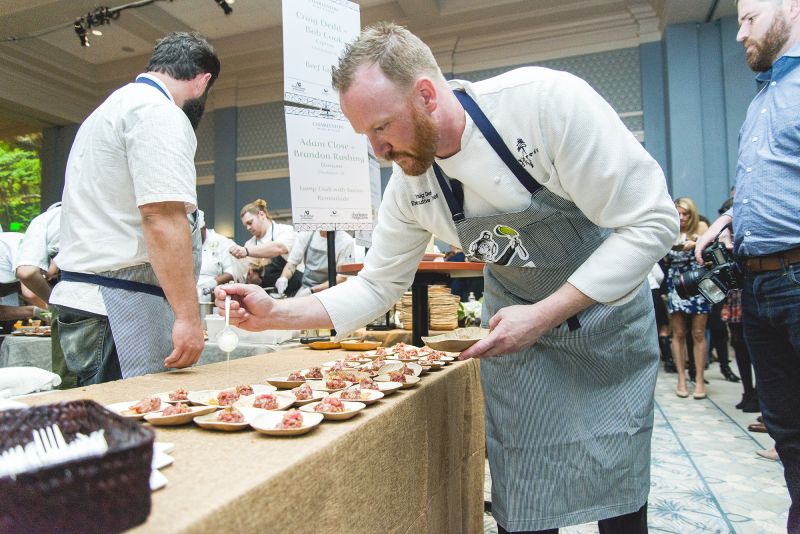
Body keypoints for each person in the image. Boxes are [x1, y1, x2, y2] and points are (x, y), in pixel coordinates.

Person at [216, 23, 678, 533]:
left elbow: (653, 220)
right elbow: (377, 284)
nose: (378, 151)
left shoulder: (547, 106)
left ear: (427, 96)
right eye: (366, 135)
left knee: (617, 487)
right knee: (523, 494)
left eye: (381, 128)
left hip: (605, 325)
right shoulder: (410, 186)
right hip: (518, 340)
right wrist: (276, 313)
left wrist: (545, 314)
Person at [49, 32, 220, 385]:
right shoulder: (159, 112)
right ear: (203, 83)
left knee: (89, 432)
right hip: (115, 310)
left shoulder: (110, 109)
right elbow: (161, 216)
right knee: (123, 428)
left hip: (86, 302)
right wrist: (188, 318)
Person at [696, 1, 800, 529]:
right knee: (786, 429)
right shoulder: (766, 95)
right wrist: (733, 216)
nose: (739, 34)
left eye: (749, 18)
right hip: (758, 283)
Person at [14, 203, 77, 389]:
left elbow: (27, 276)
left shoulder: (45, 220)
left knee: (69, 383)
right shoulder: (102, 212)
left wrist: (52, 305)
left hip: (72, 302)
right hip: (131, 297)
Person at [664, 197, 711, 399]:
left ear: (692, 214)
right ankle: (681, 378)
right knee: (679, 333)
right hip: (676, 283)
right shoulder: (668, 231)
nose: (682, 217)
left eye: (685, 213)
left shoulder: (701, 228)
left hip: (698, 283)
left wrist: (696, 243)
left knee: (698, 333)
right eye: (678, 213)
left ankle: (699, 379)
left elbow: (710, 253)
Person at [229, 199, 302, 294]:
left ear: (262, 215)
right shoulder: (249, 244)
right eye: (245, 225)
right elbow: (250, 279)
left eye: (250, 222)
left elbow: (279, 248)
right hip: (267, 294)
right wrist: (255, 280)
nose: (248, 228)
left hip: (294, 290)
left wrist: (246, 251)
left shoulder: (285, 230)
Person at [276, 230, 355, 298]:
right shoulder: (307, 233)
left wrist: (312, 290)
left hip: (332, 291)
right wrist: (283, 278)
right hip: (306, 288)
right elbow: (292, 263)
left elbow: (342, 278)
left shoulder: (346, 241)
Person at [196, 210, 241, 297]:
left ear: (204, 228)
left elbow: (233, 272)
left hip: (214, 296)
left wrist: (212, 283)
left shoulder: (223, 243)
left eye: (195, 235)